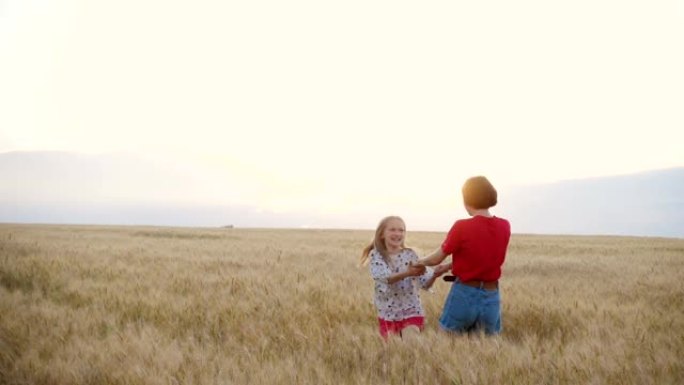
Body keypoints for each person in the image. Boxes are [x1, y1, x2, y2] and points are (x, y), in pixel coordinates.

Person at [413, 176, 511, 335]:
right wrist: (450, 266)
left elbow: (435, 259)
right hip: (492, 296)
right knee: (486, 350)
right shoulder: (505, 225)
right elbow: (483, 257)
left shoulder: (462, 226)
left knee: (446, 344)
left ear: (467, 200)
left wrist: (417, 261)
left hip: (465, 293)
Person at [360, 216, 450, 339]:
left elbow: (425, 284)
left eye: (401, 230)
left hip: (411, 311)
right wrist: (407, 273)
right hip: (387, 314)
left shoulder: (411, 254)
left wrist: (435, 275)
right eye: (392, 229)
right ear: (382, 234)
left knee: (411, 345)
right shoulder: (376, 256)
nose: (397, 233)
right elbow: (385, 278)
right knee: (393, 351)